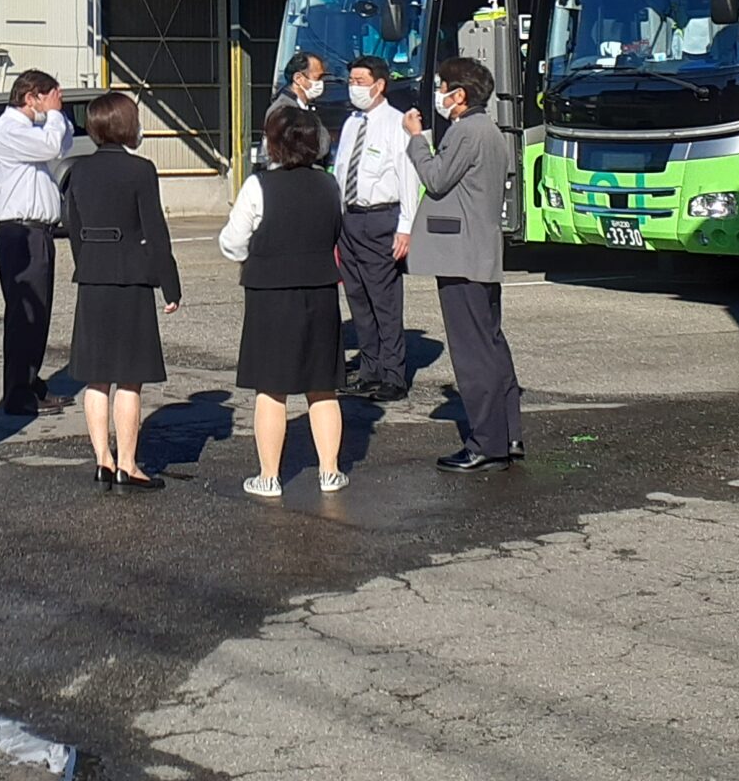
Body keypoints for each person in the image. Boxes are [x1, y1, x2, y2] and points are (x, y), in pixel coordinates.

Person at [219, 102, 348, 498]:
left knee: (271, 388)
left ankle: (269, 476)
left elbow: (232, 242)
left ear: (274, 144)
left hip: (270, 292)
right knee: (322, 386)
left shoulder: (258, 186)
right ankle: (330, 471)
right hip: (320, 288)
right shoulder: (330, 184)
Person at [61, 90, 181, 492]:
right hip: (131, 276)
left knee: (97, 377)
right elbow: (156, 231)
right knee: (129, 377)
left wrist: (88, 261)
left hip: (92, 276)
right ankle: (129, 463)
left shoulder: (77, 171)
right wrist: (170, 284)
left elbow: (72, 226)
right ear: (127, 125)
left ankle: (102, 461)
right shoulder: (141, 170)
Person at [411, 55, 524, 472]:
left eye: (443, 87)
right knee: (491, 343)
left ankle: (485, 443)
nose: (439, 94)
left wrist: (417, 140)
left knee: (472, 351)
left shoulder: (466, 131)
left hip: (462, 256)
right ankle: (507, 433)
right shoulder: (490, 131)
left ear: (459, 95)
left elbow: (437, 178)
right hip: (481, 252)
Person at [331, 55, 418, 400]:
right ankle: (370, 370)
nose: (354, 87)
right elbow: (341, 170)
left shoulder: (397, 124)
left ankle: (394, 375)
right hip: (348, 219)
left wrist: (406, 226)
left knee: (384, 300)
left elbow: (407, 177)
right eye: (351, 80)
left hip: (381, 218)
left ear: (379, 85)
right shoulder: (352, 122)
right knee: (358, 297)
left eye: (360, 81)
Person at [0, 70, 69, 415]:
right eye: (50, 97)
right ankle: (18, 393)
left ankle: (31, 382)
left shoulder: (30, 130)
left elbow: (61, 144)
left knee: (38, 316)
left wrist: (53, 115)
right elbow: (53, 145)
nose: (55, 106)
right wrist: (52, 113)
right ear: (31, 96)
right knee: (24, 318)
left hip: (37, 233)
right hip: (20, 234)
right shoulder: (10, 130)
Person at [254, 50, 328, 173]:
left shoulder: (305, 107)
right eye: (317, 78)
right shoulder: (283, 111)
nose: (321, 84)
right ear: (298, 78)